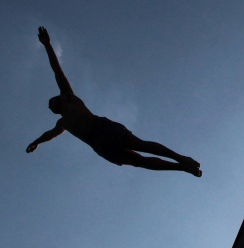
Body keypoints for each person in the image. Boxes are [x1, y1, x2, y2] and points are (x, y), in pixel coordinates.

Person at [26, 27, 202, 177]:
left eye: (51, 102)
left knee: (140, 145)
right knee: (139, 162)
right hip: (99, 145)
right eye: (49, 106)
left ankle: (181, 158)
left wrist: (47, 45)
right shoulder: (62, 123)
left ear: (58, 100)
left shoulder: (70, 99)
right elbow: (49, 134)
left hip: (102, 128)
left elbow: (57, 71)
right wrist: (36, 142)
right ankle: (182, 167)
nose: (49, 106)